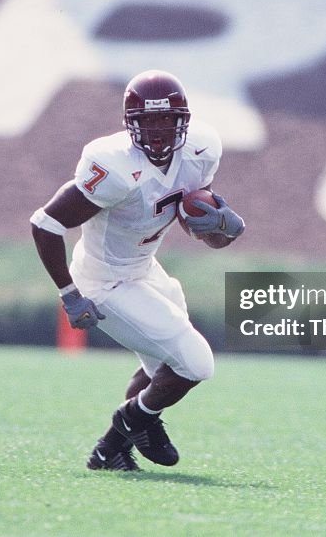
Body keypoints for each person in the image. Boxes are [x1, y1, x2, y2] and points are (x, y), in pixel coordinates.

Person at [31, 70, 246, 472]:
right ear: (131, 124)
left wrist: (222, 227)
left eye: (167, 119)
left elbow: (196, 222)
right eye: (148, 120)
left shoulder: (201, 150)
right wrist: (69, 292)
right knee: (196, 363)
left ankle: (110, 450)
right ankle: (133, 420)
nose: (159, 129)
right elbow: (45, 223)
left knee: (161, 367)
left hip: (144, 269)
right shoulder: (112, 166)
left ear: (184, 120)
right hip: (104, 280)